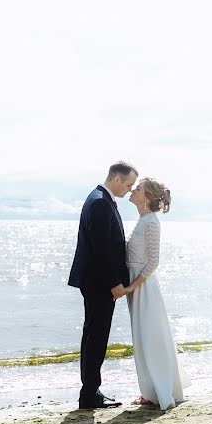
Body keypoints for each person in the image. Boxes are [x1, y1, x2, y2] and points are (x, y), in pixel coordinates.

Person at [67, 161, 138, 409]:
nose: (130, 190)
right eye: (129, 184)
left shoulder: (99, 199)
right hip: (99, 283)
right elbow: (102, 250)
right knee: (96, 338)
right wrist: (115, 284)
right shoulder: (99, 202)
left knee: (92, 336)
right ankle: (89, 395)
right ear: (117, 179)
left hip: (95, 282)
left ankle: (89, 392)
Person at [124, 177, 188, 410]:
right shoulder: (143, 220)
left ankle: (159, 391)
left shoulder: (151, 222)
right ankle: (150, 391)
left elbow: (152, 263)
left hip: (145, 289)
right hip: (137, 288)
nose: (133, 190)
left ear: (147, 197)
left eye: (138, 188)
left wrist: (132, 286)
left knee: (150, 338)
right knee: (143, 339)